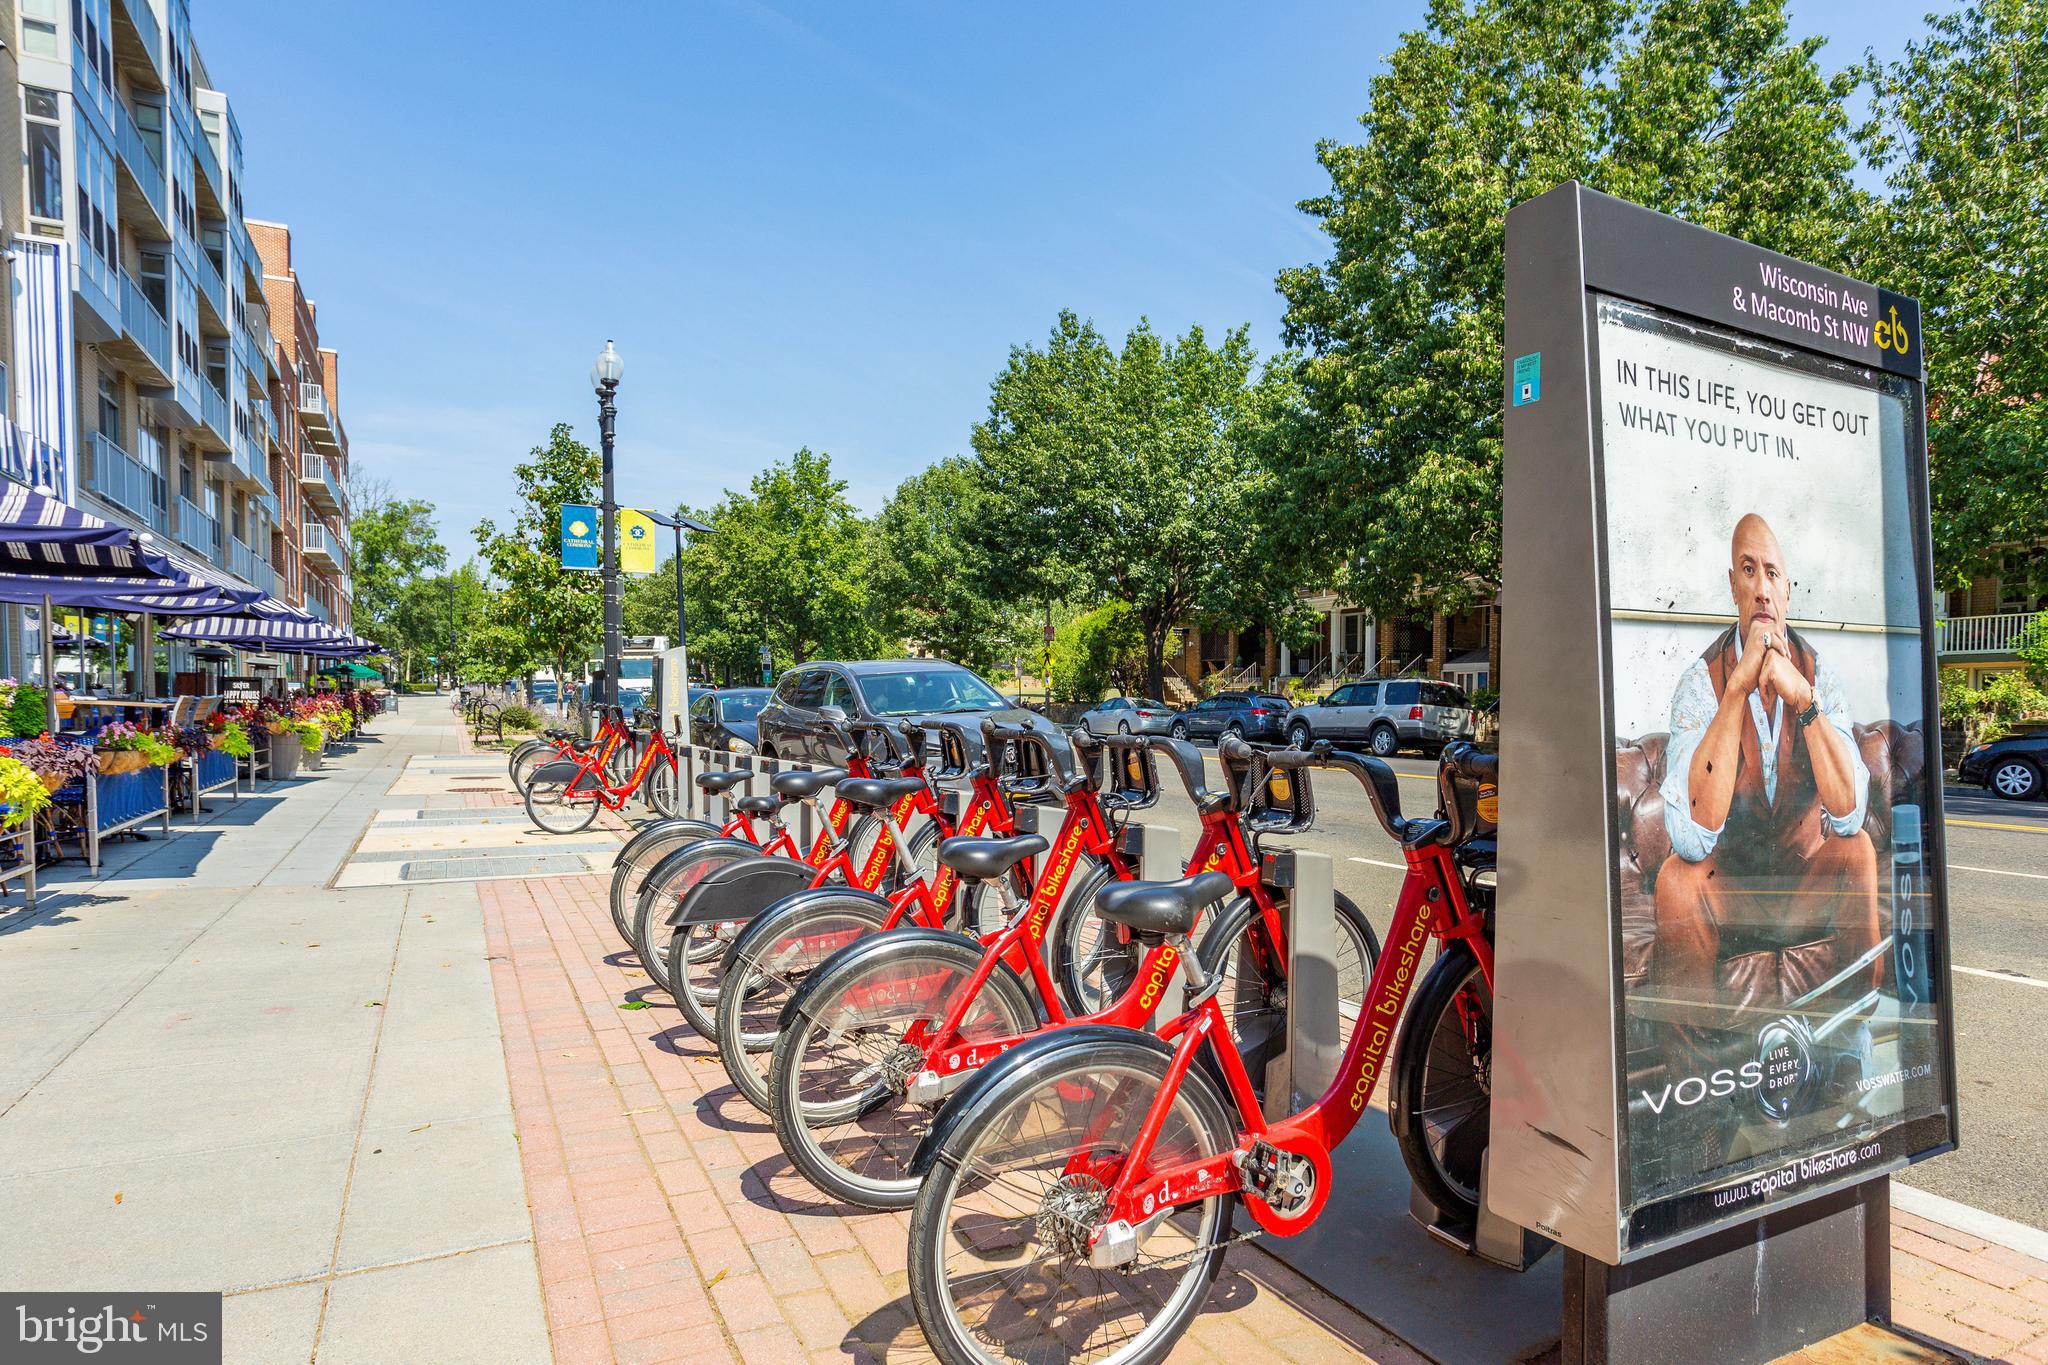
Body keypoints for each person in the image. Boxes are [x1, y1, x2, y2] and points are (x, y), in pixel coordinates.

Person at [1650, 513, 1881, 1059]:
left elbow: (1848, 814)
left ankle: (1846, 1038)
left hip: (1802, 886)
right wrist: (1735, 693)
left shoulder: (1820, 675)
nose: (1760, 588)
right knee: (1677, 878)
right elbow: (1691, 839)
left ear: (1788, 590)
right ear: (1731, 582)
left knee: (1858, 850)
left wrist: (1804, 700)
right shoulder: (1700, 683)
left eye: (1772, 573)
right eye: (1748, 571)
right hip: (1733, 890)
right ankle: (1700, 1070)